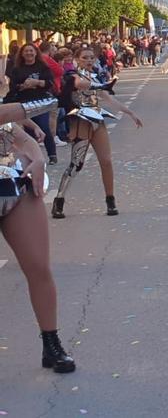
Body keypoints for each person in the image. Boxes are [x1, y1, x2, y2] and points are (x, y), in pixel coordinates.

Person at [0, 98, 75, 374]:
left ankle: (51, 343)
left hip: (15, 187)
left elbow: (18, 135)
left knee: (39, 267)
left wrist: (39, 158)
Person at [51, 47, 143, 219]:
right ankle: (59, 199)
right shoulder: (72, 75)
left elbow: (108, 97)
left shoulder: (95, 77)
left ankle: (110, 200)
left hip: (97, 119)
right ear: (77, 59)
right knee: (76, 163)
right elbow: (79, 85)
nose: (89, 60)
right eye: (85, 57)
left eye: (92, 57)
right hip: (81, 120)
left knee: (106, 161)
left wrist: (130, 113)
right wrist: (102, 85)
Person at [4, 43, 59, 165]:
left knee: (44, 127)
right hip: (24, 103)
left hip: (41, 102)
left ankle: (52, 154)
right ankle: (34, 157)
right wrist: (23, 86)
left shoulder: (43, 67)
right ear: (22, 54)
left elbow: (50, 83)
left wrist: (37, 82)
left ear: (35, 52)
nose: (29, 53)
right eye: (26, 51)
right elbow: (12, 87)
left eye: (31, 51)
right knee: (29, 131)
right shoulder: (17, 69)